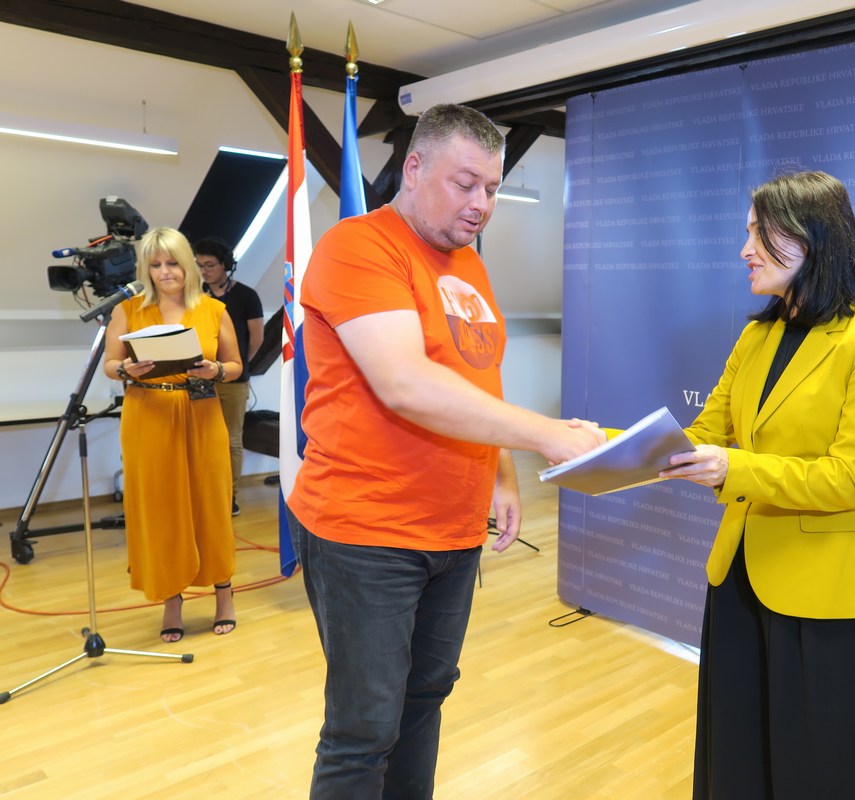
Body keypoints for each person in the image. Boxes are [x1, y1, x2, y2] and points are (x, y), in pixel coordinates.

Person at [284, 103, 605, 799]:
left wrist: (503, 472)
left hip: (452, 530)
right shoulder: (358, 247)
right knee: (364, 729)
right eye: (465, 184)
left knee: (424, 698)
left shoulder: (469, 265)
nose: (481, 203)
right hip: (367, 531)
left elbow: (475, 378)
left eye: (492, 188)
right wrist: (545, 433)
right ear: (414, 167)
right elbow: (405, 382)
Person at [661, 171, 855, 799]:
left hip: (822, 592)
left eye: (758, 234)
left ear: (812, 237)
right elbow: (703, 433)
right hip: (738, 577)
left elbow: (847, 480)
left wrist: (733, 468)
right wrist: (601, 444)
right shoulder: (757, 336)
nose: (744, 250)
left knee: (826, 768)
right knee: (738, 753)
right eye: (747, 233)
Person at [102, 227, 243, 642]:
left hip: (201, 411)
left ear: (189, 266)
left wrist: (215, 370)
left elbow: (235, 365)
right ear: (145, 270)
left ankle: (224, 594)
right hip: (148, 413)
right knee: (161, 508)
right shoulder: (128, 310)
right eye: (156, 265)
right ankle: (171, 599)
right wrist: (125, 369)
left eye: (173, 263)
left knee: (210, 503)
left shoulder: (214, 310)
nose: (165, 271)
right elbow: (110, 363)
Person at [193, 237, 264, 517]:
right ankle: (205, 493)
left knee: (231, 439)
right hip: (199, 379)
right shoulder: (196, 297)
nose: (205, 271)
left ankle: (229, 496)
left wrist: (238, 364)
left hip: (233, 380)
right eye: (200, 266)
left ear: (226, 265)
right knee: (201, 439)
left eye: (210, 265)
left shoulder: (246, 296)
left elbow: (256, 338)